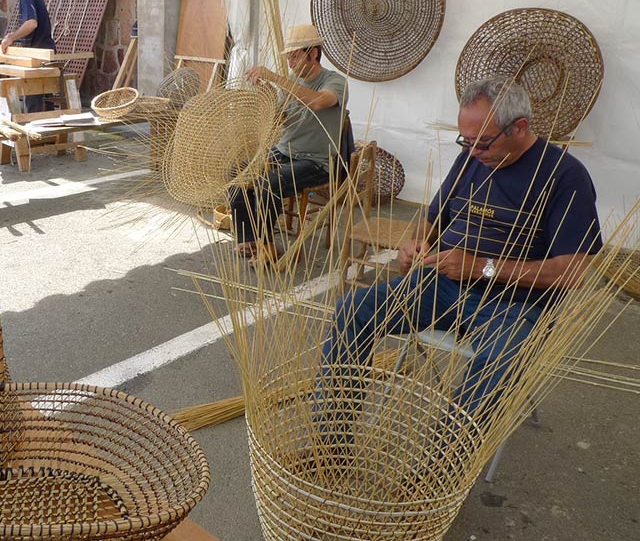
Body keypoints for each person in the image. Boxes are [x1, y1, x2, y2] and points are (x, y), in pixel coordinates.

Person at [318, 76, 604, 447]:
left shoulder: (565, 176)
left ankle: (438, 477)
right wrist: (414, 243)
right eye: (465, 141)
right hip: (438, 285)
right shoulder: (470, 159)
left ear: (520, 127)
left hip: (511, 306)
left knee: (499, 360)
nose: (472, 151)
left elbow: (575, 271)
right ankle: (331, 446)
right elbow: (432, 221)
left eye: (482, 142)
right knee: (352, 309)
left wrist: (481, 266)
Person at [230, 23, 348, 267]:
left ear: (313, 54)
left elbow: (318, 102)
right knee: (238, 171)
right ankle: (250, 239)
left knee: (268, 184)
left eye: (295, 56)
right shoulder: (291, 81)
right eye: (289, 58)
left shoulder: (335, 81)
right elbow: (281, 119)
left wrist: (275, 77)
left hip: (317, 161)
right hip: (284, 151)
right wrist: (267, 95)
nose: (291, 63)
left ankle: (268, 247)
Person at [0, 0, 55, 113]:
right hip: (38, 51)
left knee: (33, 96)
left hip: (40, 53)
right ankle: (48, 132)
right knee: (43, 97)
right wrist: (13, 37)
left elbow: (31, 23)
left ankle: (36, 133)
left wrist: (11, 38)